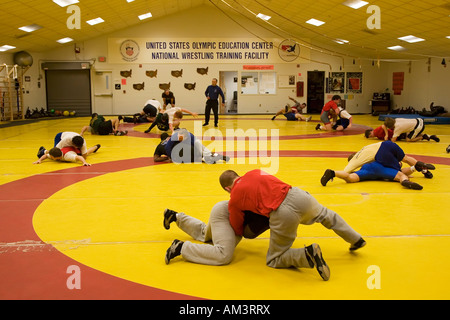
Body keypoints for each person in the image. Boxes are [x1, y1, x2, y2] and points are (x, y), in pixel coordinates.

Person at [218, 169, 366, 281]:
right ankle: (356, 239)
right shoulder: (255, 171)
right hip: (297, 195)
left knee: (274, 259)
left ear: (227, 189)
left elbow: (237, 227)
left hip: (282, 213)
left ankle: (307, 254)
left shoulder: (234, 198)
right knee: (328, 216)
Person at [164, 202, 270, 265]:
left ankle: (175, 216)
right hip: (228, 216)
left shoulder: (277, 201)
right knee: (223, 253)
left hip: (224, 208)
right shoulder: (276, 214)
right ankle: (181, 247)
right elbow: (247, 233)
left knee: (206, 234)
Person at [320, 140, 436, 189]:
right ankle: (417, 168)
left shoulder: (361, 163)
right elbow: (401, 167)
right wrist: (412, 169)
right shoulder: (365, 150)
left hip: (371, 169)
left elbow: (347, 172)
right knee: (403, 165)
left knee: (350, 178)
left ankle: (333, 173)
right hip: (387, 147)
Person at [154, 129, 229, 164]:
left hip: (184, 150)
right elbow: (167, 147)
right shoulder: (174, 137)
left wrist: (169, 158)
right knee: (203, 153)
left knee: (201, 153)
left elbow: (157, 157)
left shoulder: (191, 138)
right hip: (183, 150)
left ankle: (209, 158)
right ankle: (216, 156)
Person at [34, 144, 100, 166]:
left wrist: (84, 162)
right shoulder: (56, 154)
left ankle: (96, 147)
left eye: (51, 157)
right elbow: (46, 156)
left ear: (54, 157)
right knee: (46, 153)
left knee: (87, 153)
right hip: (67, 148)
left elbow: (79, 157)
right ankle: (44, 150)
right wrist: (39, 160)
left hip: (76, 150)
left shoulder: (68, 156)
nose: (49, 157)